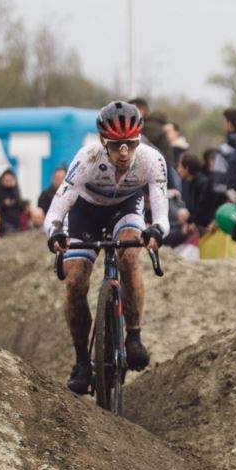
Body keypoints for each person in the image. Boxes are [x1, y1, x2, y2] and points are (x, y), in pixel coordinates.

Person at [45, 101, 168, 394]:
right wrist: (54, 233)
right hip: (85, 211)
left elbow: (162, 214)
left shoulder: (151, 160)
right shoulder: (86, 158)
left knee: (128, 259)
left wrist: (156, 231)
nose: (124, 152)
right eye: (116, 145)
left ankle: (134, 336)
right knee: (75, 282)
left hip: (125, 207)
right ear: (103, 142)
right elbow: (56, 209)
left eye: (130, 144)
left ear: (139, 140)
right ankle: (81, 363)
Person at [0, 168, 26, 232]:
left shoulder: (16, 190)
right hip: (3, 220)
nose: (8, 182)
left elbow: (19, 203)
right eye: (6, 180)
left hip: (15, 220)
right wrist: (4, 204)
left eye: (10, 180)